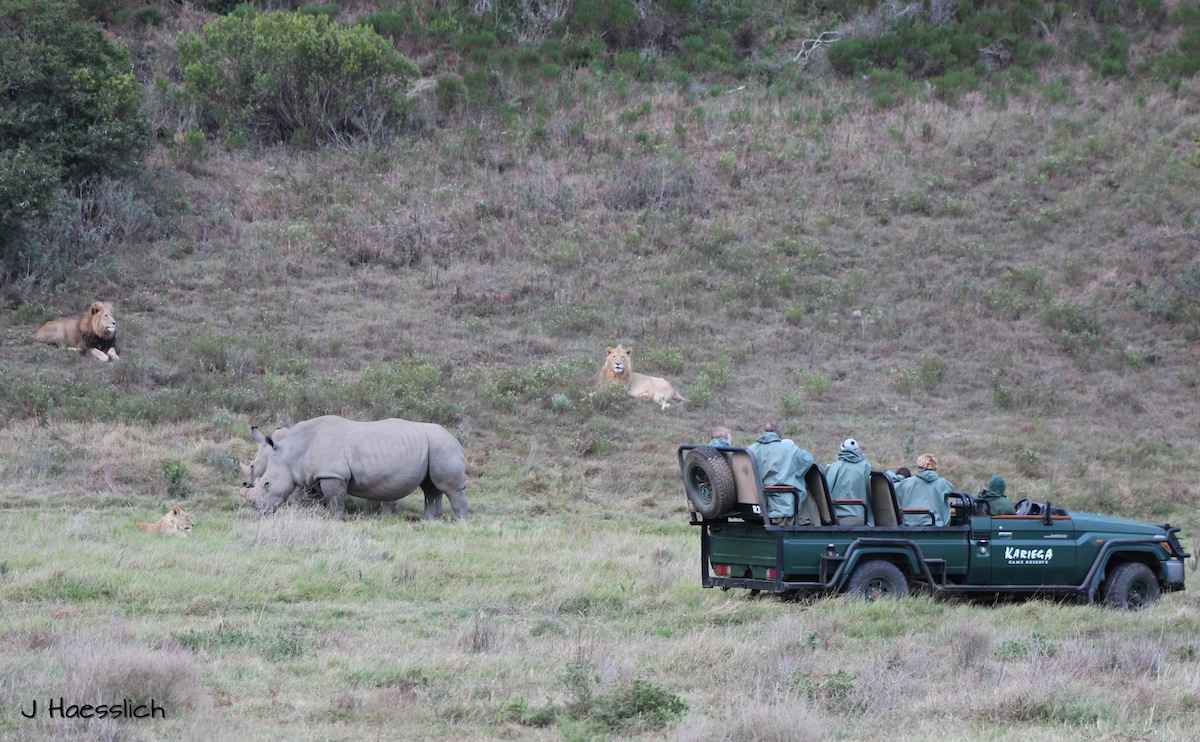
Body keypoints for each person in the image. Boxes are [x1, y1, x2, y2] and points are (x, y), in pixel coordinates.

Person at [747, 421, 815, 526]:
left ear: (762, 432)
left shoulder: (749, 450)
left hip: (754, 507)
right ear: (779, 434)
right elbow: (808, 460)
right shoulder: (790, 449)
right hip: (782, 508)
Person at [895, 453, 953, 526]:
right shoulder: (944, 484)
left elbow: (893, 488)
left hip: (909, 526)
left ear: (919, 464)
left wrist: (899, 477)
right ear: (935, 465)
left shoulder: (906, 483)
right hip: (936, 525)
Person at [826, 438, 873, 526]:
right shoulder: (866, 467)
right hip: (861, 514)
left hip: (836, 514)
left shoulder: (833, 467)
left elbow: (826, 491)